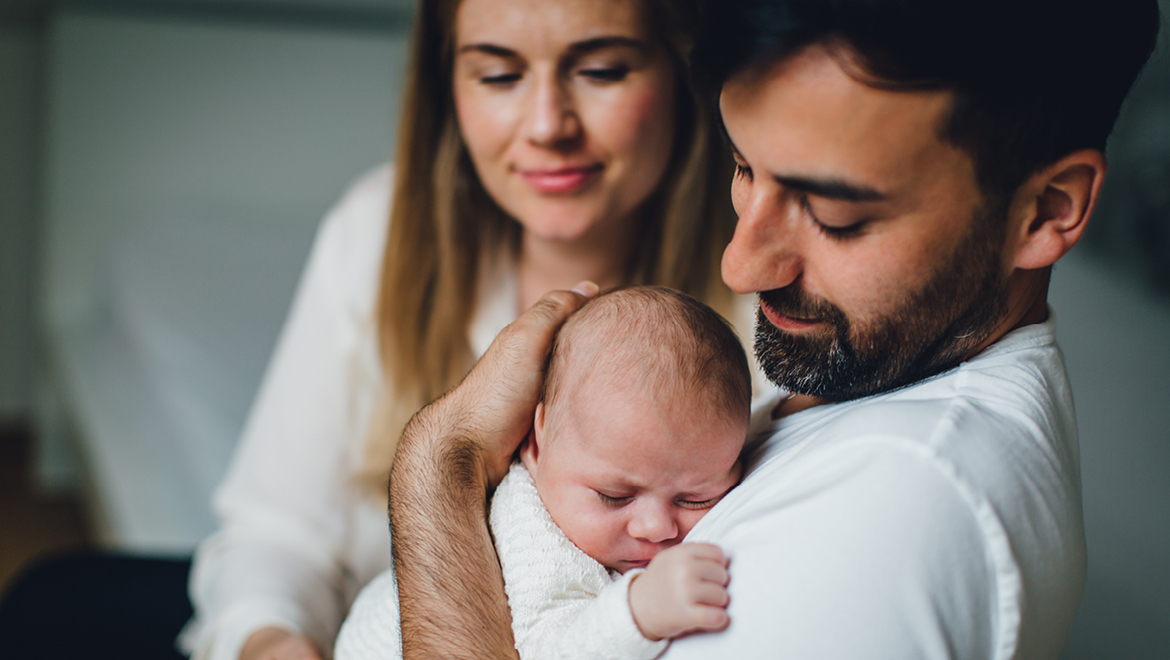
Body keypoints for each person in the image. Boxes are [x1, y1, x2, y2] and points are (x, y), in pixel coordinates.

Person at [380, 0, 1162, 658]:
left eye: (836, 216)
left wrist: (438, 467)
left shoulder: (886, 525)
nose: (740, 266)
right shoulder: (866, 388)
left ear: (1048, 209)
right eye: (744, 168)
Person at [179, 1, 772, 660]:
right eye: (497, 77)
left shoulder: (766, 291)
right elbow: (274, 535)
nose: (548, 124)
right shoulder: (377, 234)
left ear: (682, 72)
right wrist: (272, 642)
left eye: (602, 70)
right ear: (448, 89)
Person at [337, 286, 752, 660]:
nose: (656, 527)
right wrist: (636, 612)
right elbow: (543, 651)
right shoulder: (535, 539)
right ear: (536, 445)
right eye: (614, 495)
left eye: (697, 498)